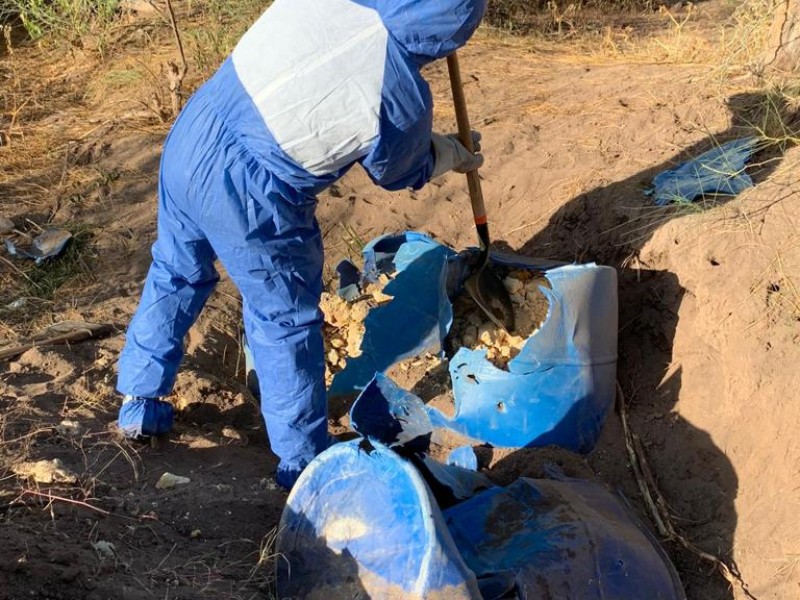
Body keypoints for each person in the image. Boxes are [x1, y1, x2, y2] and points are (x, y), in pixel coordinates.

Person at [116, 0, 487, 490]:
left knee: (177, 268)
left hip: (196, 130)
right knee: (284, 319)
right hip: (254, 191)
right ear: (447, 35)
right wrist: (445, 153)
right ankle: (303, 462)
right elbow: (397, 171)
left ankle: (140, 400)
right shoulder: (400, 90)